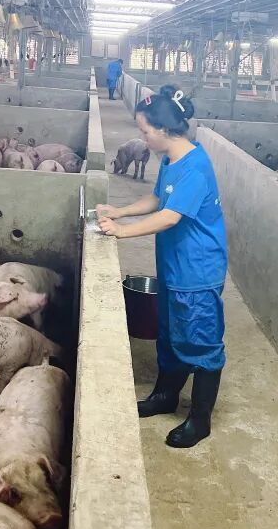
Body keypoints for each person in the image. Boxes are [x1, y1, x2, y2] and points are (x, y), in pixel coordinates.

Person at [97, 85, 228, 448]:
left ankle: (199, 420)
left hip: (197, 271)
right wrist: (119, 211)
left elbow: (170, 217)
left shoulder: (195, 169)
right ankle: (164, 396)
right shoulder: (172, 160)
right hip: (173, 265)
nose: (143, 138)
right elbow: (158, 198)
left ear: (163, 129)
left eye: (144, 131)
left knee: (200, 341)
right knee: (169, 335)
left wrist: (123, 232)